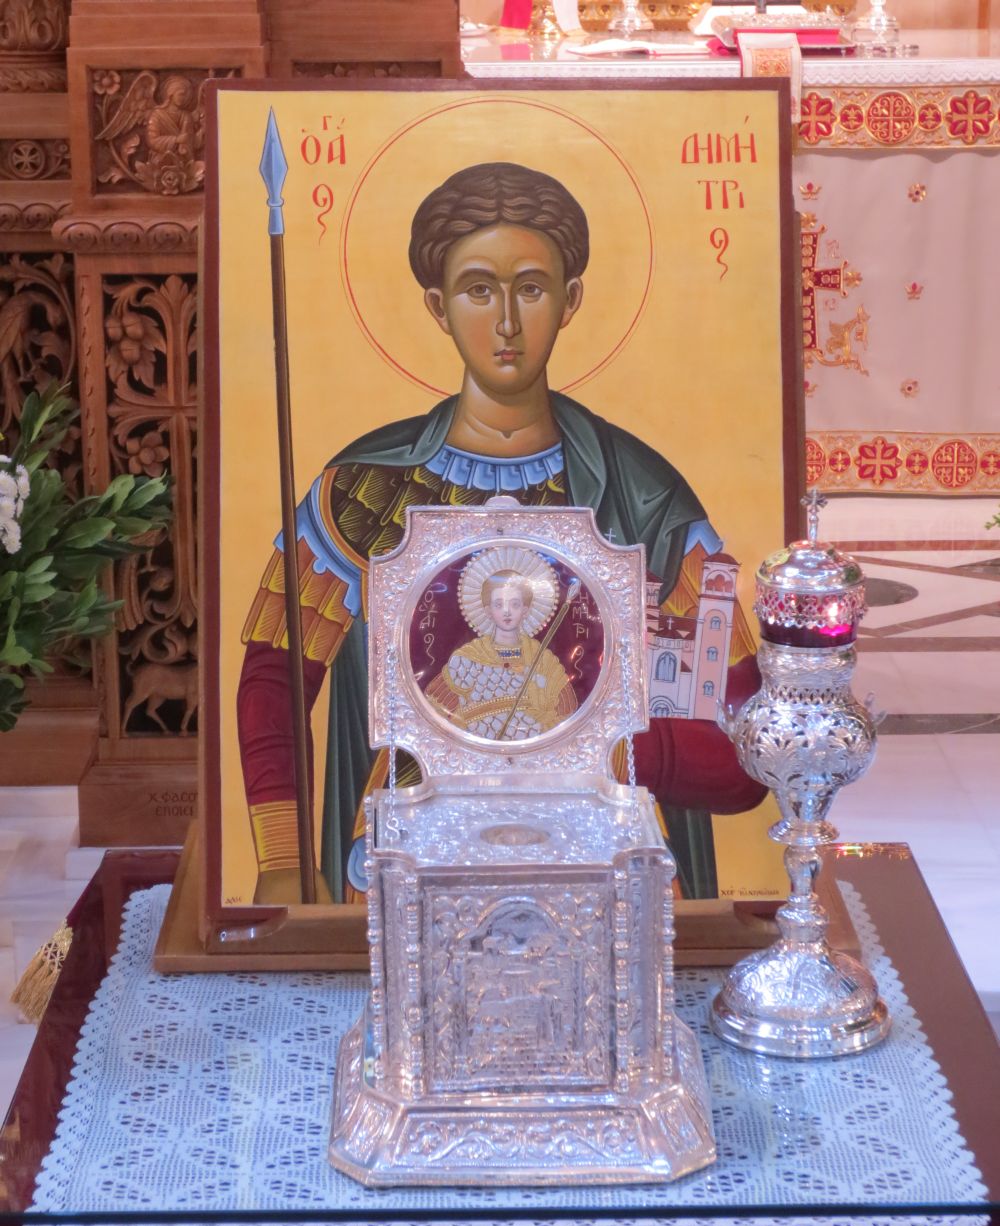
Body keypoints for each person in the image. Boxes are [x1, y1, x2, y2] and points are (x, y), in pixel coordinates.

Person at [237, 161, 765, 905]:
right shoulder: (361, 492)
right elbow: (275, 678)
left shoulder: (645, 502)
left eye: (532, 288)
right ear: (438, 305)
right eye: (479, 289)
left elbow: (747, 745)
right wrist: (282, 862)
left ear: (571, 299)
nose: (507, 323)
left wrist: (607, 748)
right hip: (405, 871)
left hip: (604, 876)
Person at [425, 555, 578, 741]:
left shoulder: (543, 661)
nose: (507, 611)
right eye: (499, 604)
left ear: (525, 610)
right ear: (488, 611)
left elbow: (565, 714)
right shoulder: (466, 659)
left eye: (515, 604)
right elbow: (437, 712)